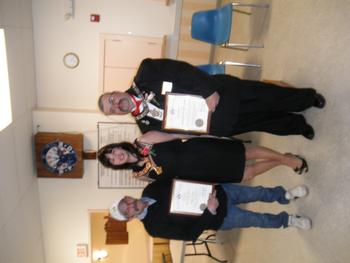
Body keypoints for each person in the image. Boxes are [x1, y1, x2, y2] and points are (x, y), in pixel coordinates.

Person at [98, 58, 326, 139]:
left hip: (220, 93)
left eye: (112, 99)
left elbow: (182, 70)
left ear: (115, 91)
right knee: (263, 122)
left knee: (268, 96)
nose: (117, 105)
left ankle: (306, 99)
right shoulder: (145, 127)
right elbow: (178, 134)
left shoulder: (146, 72)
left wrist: (208, 91)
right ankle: (298, 126)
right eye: (113, 109)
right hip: (218, 123)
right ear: (115, 115)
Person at [109, 179, 312, 241]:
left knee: (256, 192)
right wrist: (210, 212)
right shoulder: (153, 228)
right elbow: (188, 234)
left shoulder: (151, 188)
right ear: (130, 218)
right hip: (219, 217)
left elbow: (182, 177)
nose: (129, 205)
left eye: (125, 202)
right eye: (126, 210)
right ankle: (288, 221)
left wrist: (209, 185)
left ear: (127, 197)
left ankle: (284, 195)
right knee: (258, 219)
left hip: (219, 191)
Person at [98, 130, 308, 183]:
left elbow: (176, 135)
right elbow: (171, 180)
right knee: (246, 174)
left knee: (246, 154)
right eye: (113, 160)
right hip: (199, 172)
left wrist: (209, 135)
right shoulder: (138, 175)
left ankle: (288, 160)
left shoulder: (144, 141)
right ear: (116, 165)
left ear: (118, 146)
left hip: (201, 150)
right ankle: (282, 160)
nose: (117, 156)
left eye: (113, 151)